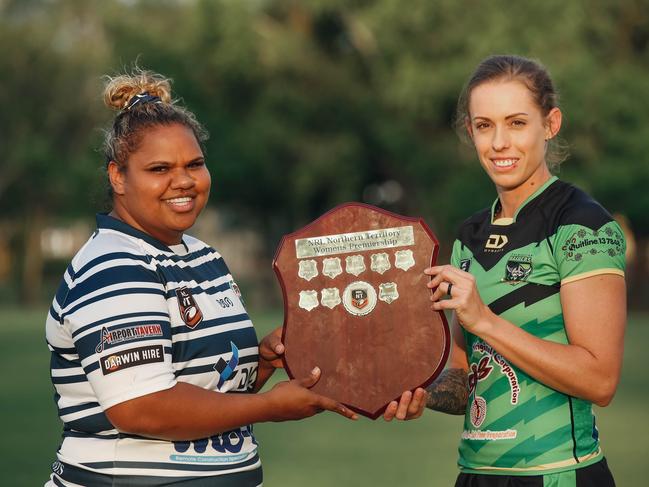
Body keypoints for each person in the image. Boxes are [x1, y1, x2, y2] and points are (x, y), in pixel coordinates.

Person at [44, 68, 358, 487]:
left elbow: (207, 393)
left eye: (195, 164)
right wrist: (269, 406)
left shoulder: (202, 256)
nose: (184, 181)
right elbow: (142, 405)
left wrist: (260, 365)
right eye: (159, 169)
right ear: (118, 176)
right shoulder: (114, 265)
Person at [421, 55, 626, 486]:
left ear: (550, 124)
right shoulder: (469, 234)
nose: (498, 143)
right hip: (476, 475)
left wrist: (486, 321)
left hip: (557, 474)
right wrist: (408, 387)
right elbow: (463, 370)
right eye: (483, 125)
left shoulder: (581, 224)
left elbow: (600, 378)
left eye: (516, 123)